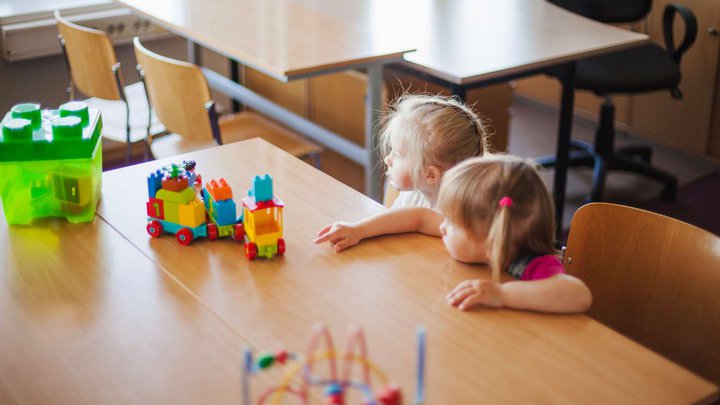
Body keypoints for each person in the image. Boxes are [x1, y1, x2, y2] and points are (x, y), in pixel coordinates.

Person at [314, 155, 592, 314]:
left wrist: (502, 294)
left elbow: (578, 295)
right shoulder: (471, 235)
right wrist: (360, 229)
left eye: (453, 223)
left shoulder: (532, 264)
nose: (443, 226)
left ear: (493, 238)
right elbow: (419, 217)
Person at [379, 93, 488, 209]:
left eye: (397, 154)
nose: (388, 159)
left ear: (430, 175)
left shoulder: (456, 219)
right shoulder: (410, 196)